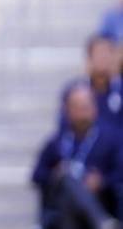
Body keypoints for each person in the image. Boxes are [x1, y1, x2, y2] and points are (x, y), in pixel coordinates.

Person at [32, 83, 120, 229]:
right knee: (67, 180)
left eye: (85, 107)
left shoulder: (110, 140)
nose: (82, 113)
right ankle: (102, 222)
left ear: (94, 108)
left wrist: (101, 181)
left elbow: (119, 173)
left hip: (98, 199)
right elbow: (36, 175)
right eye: (77, 107)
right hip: (62, 207)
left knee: (74, 193)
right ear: (67, 110)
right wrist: (56, 174)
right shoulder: (57, 142)